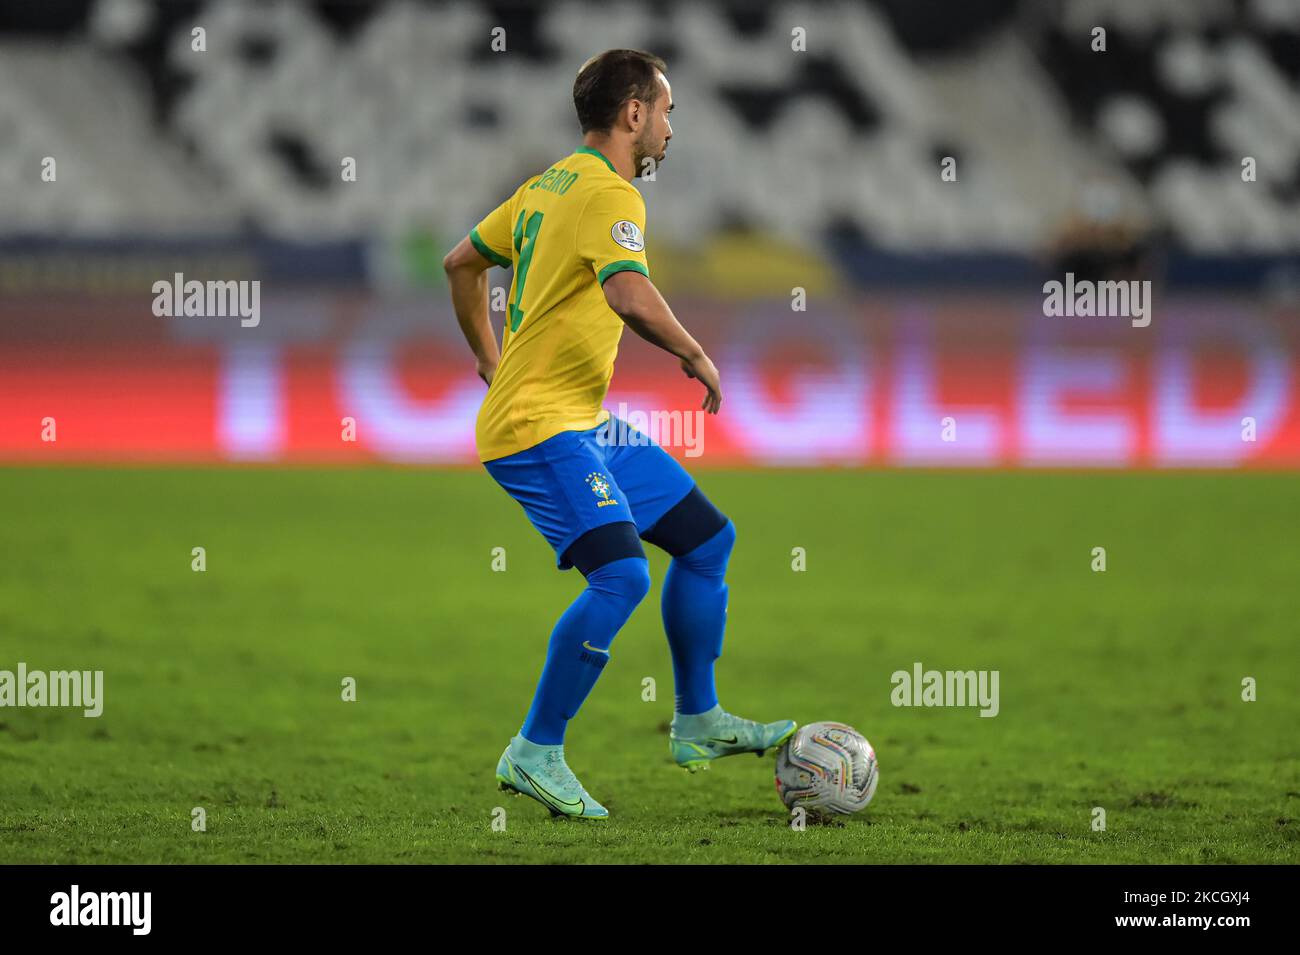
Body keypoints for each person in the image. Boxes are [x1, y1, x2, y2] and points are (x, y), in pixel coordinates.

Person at [442, 49, 795, 819]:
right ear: (634, 112)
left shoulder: (547, 185)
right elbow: (629, 295)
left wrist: (486, 356)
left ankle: (698, 720)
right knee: (623, 576)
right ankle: (535, 749)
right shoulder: (612, 196)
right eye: (667, 112)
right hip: (538, 422)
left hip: (580, 417)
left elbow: (461, 264)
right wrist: (695, 352)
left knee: (707, 541)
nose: (670, 129)